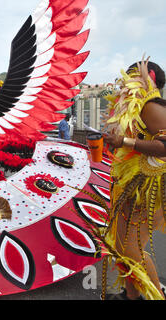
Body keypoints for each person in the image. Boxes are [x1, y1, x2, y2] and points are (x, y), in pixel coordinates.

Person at [101, 59, 166, 300]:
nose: (124, 85)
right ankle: (131, 296)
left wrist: (126, 142)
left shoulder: (151, 106)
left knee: (131, 247)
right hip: (128, 186)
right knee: (119, 244)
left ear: (147, 80)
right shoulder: (134, 109)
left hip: (147, 188)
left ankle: (156, 296)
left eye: (130, 78)